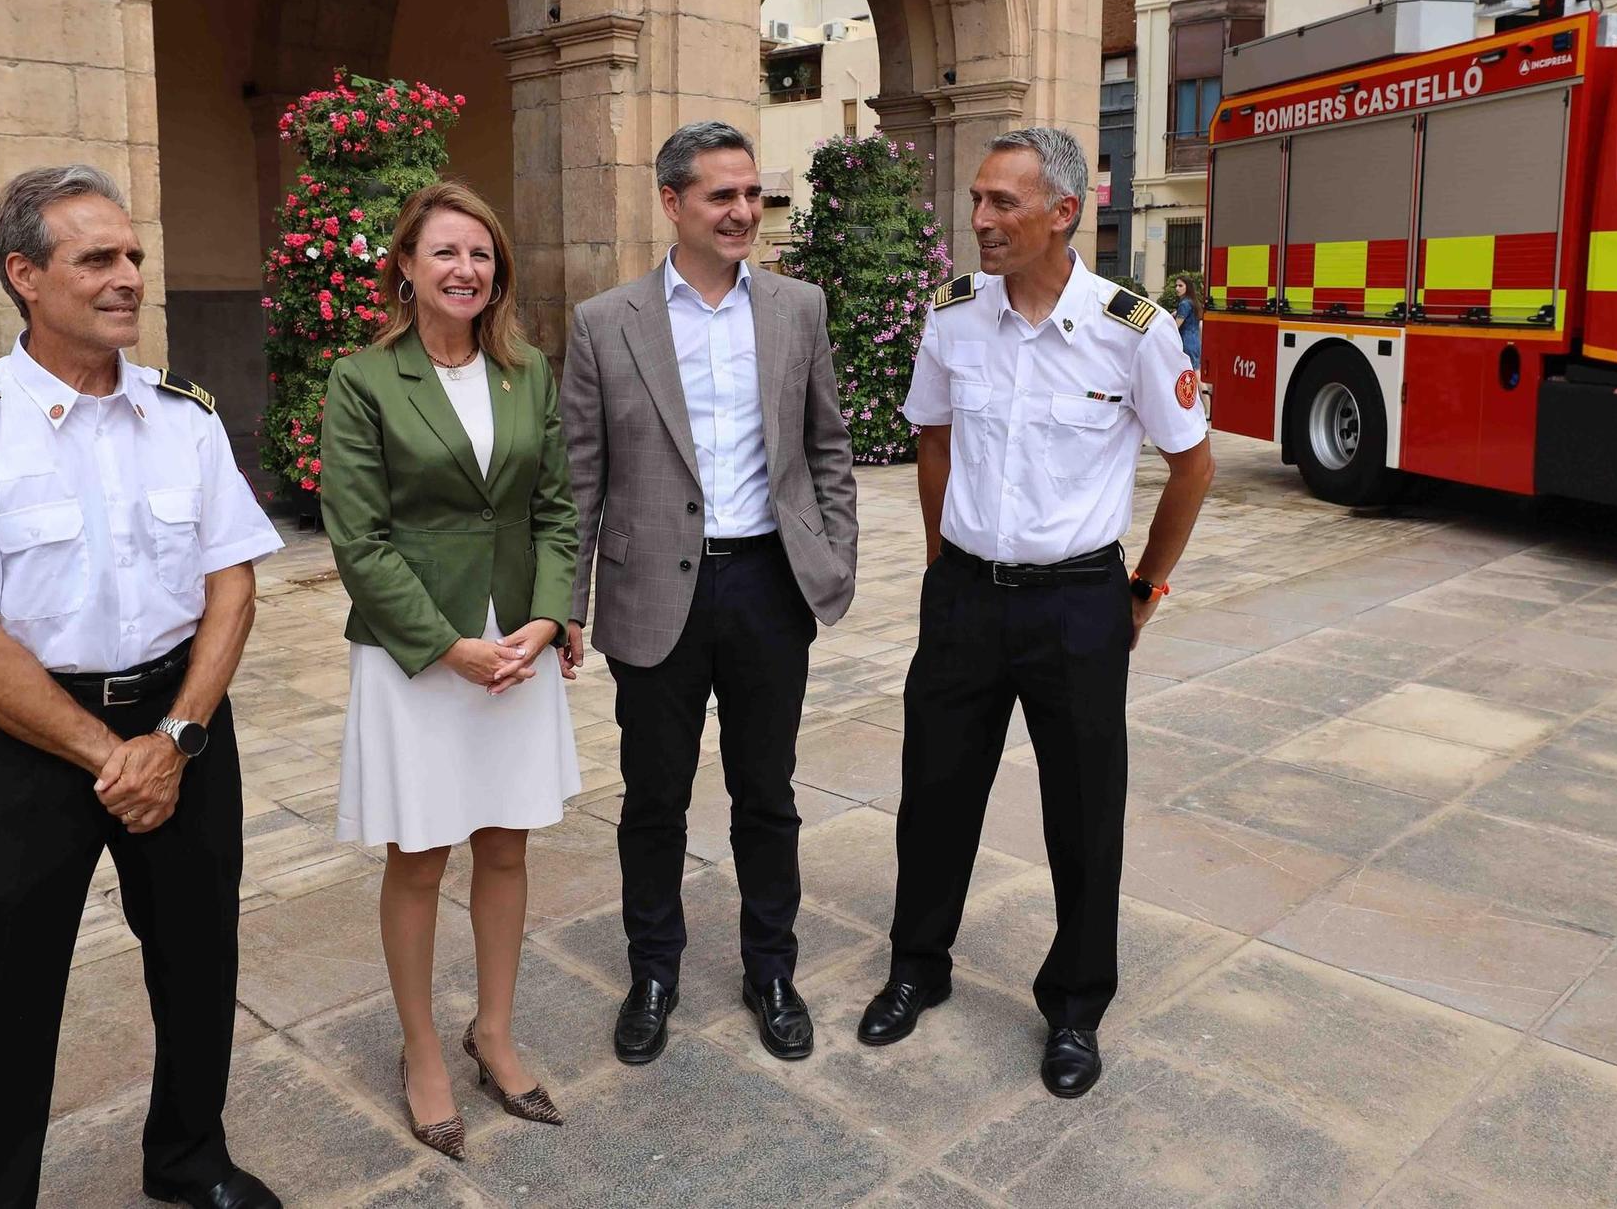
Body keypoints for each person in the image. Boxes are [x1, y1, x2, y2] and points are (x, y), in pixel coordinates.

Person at [0, 166, 284, 1208]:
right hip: (18, 738)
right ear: (24, 274)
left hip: (181, 719)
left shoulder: (183, 415)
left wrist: (174, 736)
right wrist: (110, 755)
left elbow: (233, 587)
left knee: (199, 956)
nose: (127, 278)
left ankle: (189, 1157)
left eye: (132, 257)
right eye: (97, 259)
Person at [857, 128, 1215, 1099]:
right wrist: (940, 563)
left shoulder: (1130, 328)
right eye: (975, 199)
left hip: (1077, 605)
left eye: (1001, 203)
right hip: (966, 598)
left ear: (1064, 211)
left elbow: (1192, 465)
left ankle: (1073, 1008)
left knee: (1084, 815)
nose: (978, 220)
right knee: (932, 796)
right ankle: (915, 968)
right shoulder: (952, 318)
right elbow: (930, 441)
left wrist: (1142, 588)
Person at [560, 120, 857, 1067]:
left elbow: (828, 446)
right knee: (653, 798)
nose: (742, 212)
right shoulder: (606, 323)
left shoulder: (797, 307)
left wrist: (833, 551)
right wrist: (566, 601)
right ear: (672, 203)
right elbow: (580, 481)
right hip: (654, 597)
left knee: (765, 794)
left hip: (768, 584)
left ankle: (772, 967)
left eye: (751, 194)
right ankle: (654, 970)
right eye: (721, 195)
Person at [321, 181, 580, 1159]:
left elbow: (554, 505)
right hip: (416, 654)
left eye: (480, 254)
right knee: (419, 855)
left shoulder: (525, 372)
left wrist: (549, 615)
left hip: (515, 646)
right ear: (406, 267)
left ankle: (495, 1032)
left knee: (507, 847)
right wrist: (445, 644)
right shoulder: (364, 378)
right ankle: (422, 1046)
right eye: (445, 253)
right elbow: (358, 534)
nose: (466, 269)